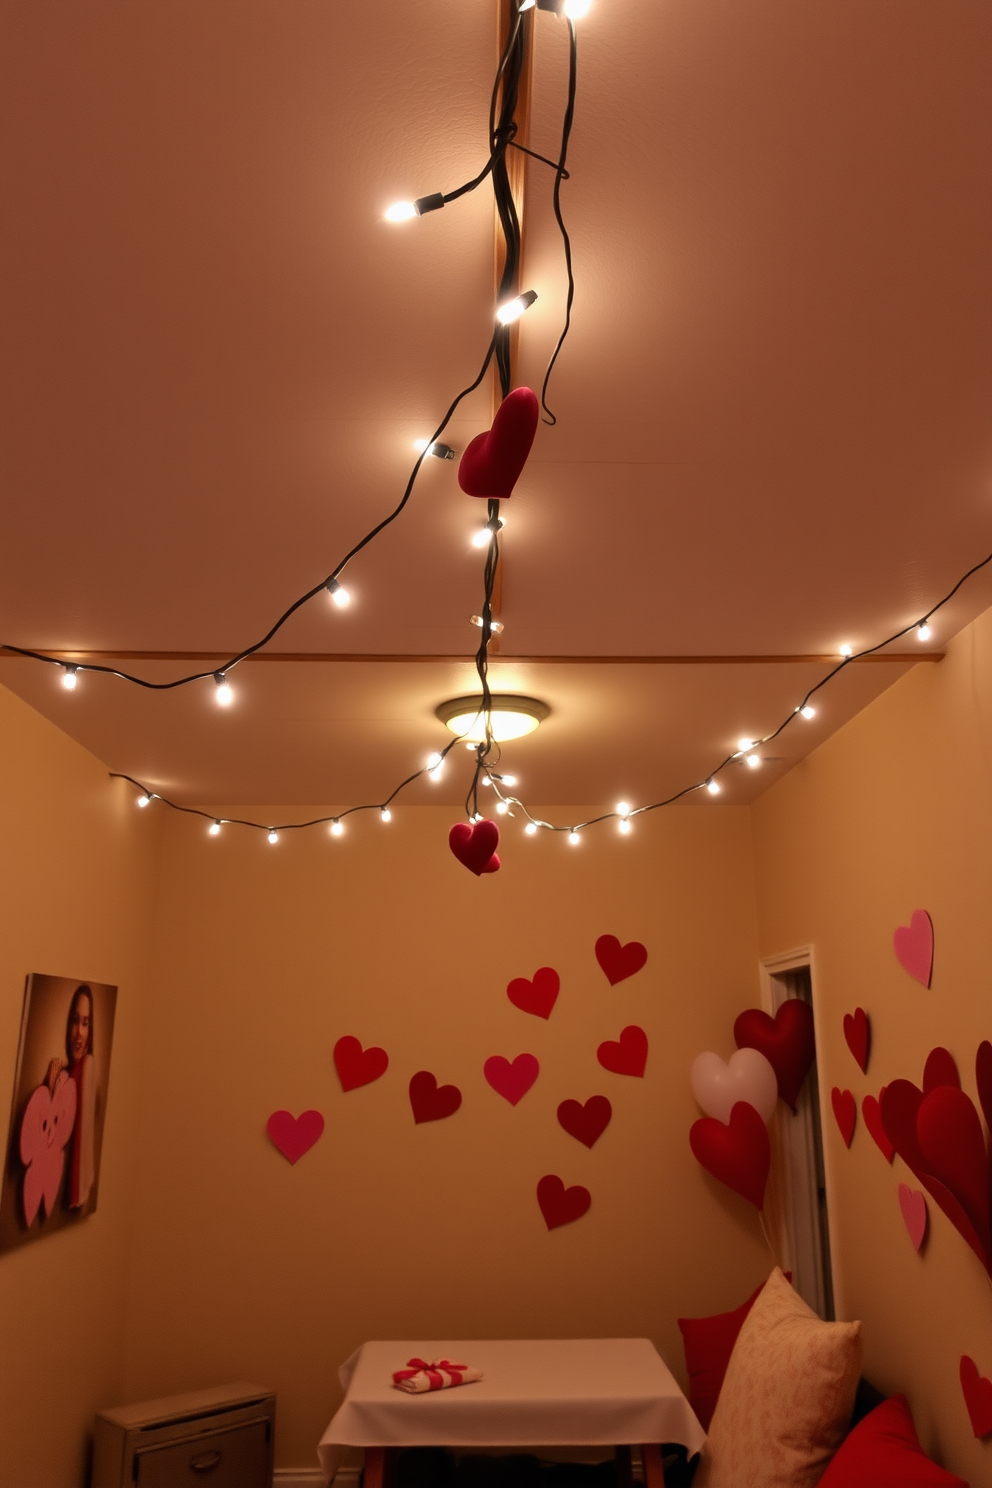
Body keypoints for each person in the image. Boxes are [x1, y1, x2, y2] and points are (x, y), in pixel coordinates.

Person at [46, 985, 96, 1209]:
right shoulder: (66, 1075)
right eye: (75, 1021)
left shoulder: (87, 1069)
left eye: (85, 1023)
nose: (79, 1034)